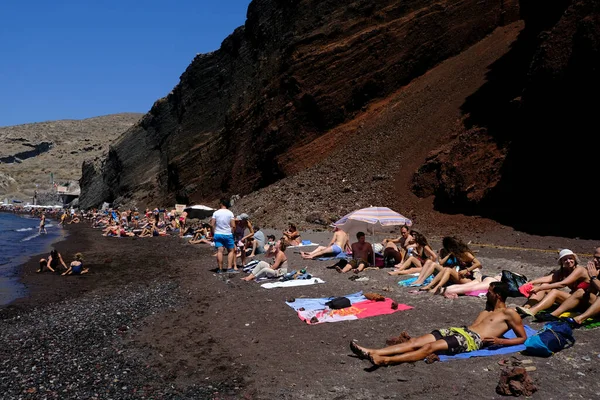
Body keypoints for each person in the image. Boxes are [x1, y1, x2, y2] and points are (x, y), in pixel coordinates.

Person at [349, 282, 526, 366]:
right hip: (461, 331)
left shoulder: (509, 313)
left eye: (489, 292)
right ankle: (372, 351)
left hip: (473, 340)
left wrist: (501, 342)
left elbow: (522, 337)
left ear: (498, 296)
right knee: (414, 342)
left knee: (429, 348)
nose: (486, 294)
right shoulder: (487, 310)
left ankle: (385, 360)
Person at [516, 249, 592, 321]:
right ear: (562, 262)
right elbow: (548, 278)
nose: (568, 261)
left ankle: (533, 310)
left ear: (575, 259)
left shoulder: (580, 270)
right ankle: (526, 307)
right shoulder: (564, 271)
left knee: (554, 291)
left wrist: (540, 288)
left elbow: (563, 284)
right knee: (544, 285)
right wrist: (530, 283)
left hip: (584, 301)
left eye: (570, 258)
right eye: (565, 259)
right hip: (573, 300)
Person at [564, 249, 600, 327]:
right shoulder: (596, 270)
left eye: (598, 258)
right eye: (594, 257)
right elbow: (591, 291)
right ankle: (553, 315)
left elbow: (563, 283)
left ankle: (579, 319)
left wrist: (594, 277)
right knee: (580, 292)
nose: (594, 260)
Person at [211, 199, 236, 273]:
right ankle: (229, 268)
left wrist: (214, 233)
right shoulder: (230, 213)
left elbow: (212, 224)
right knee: (231, 251)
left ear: (221, 204)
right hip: (227, 234)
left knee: (220, 251)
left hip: (218, 233)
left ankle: (220, 269)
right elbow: (233, 226)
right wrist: (232, 234)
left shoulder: (216, 213)